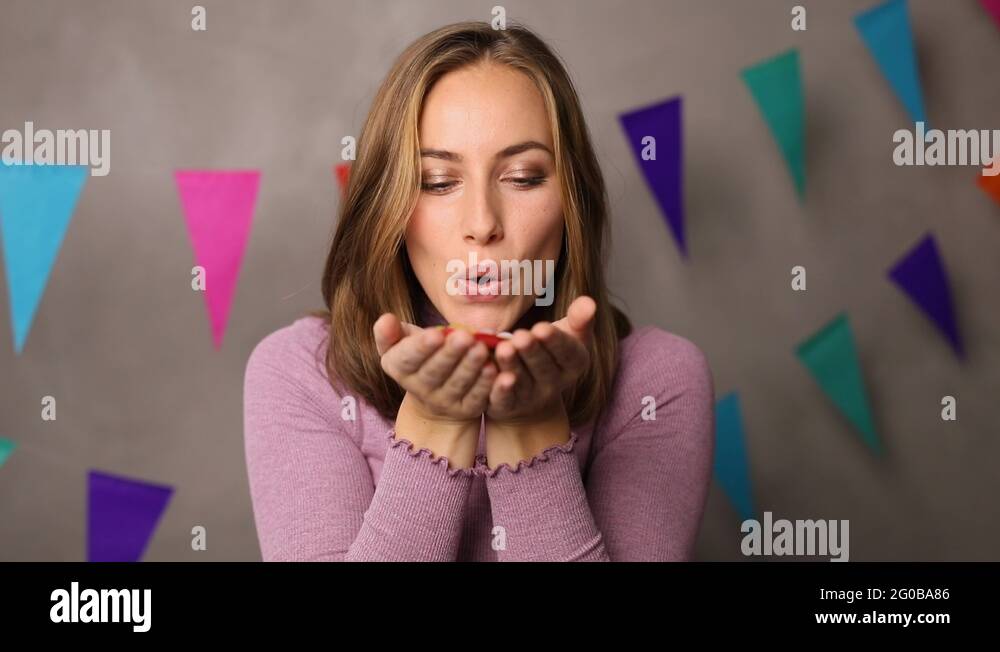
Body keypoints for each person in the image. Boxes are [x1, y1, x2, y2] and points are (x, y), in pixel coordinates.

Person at [243, 20, 714, 561]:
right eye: (438, 182)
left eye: (523, 177)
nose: (483, 223)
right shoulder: (300, 372)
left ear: (573, 202)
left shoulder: (657, 381)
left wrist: (530, 428)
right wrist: (435, 424)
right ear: (387, 208)